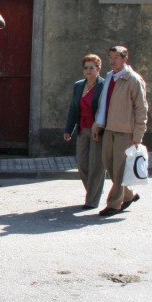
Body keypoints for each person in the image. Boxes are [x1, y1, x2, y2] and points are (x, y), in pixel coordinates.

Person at [91, 46, 148, 216]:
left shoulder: (133, 80)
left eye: (116, 57)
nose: (112, 61)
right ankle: (129, 195)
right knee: (108, 164)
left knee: (119, 168)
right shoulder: (109, 77)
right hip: (109, 129)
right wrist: (97, 125)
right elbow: (103, 104)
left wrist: (138, 135)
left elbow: (141, 109)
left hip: (126, 132)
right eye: (110, 57)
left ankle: (114, 204)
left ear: (125, 58)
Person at [63, 54, 106, 209]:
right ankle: (94, 192)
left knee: (96, 166)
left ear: (98, 69)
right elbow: (74, 109)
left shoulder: (104, 86)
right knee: (82, 165)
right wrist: (69, 129)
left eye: (92, 68)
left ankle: (92, 200)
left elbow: (105, 109)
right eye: (86, 68)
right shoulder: (78, 85)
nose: (88, 71)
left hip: (98, 131)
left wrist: (100, 126)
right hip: (82, 129)